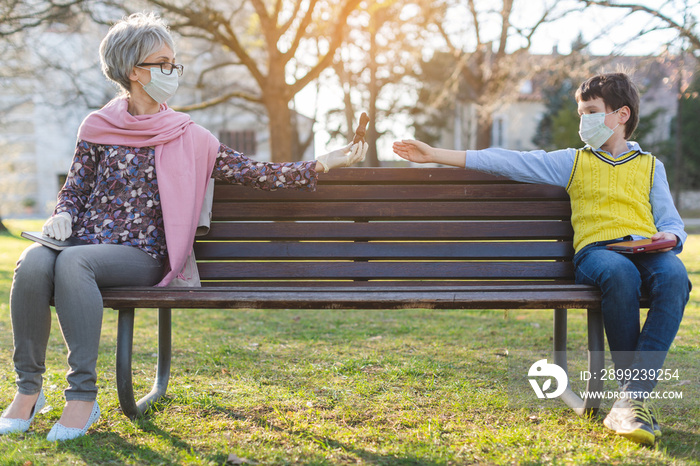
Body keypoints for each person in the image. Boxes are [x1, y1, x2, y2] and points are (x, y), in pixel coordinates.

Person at [0, 12, 367, 442]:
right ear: (134, 71)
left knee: (73, 263)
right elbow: (76, 190)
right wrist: (62, 213)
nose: (172, 71)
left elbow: (256, 172)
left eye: (174, 62)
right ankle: (28, 390)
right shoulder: (97, 127)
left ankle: (82, 395)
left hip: (143, 255)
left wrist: (325, 161)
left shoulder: (189, 134)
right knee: (32, 262)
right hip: (84, 243)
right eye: (163, 62)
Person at [393, 72, 689, 446]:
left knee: (676, 277)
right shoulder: (572, 161)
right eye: (581, 112)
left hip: (645, 249)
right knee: (619, 274)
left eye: (593, 111)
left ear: (622, 114)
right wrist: (436, 154)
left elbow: (670, 221)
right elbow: (507, 161)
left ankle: (630, 400)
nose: (585, 121)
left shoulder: (651, 166)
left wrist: (671, 236)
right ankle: (633, 402)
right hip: (598, 255)